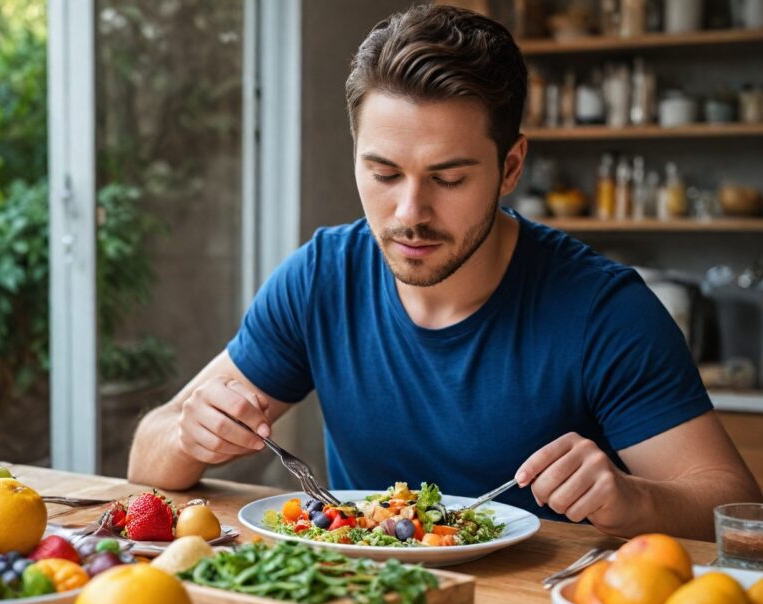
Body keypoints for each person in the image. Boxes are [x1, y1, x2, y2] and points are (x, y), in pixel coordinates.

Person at [128, 5, 761, 540]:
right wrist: (190, 435)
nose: (410, 213)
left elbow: (737, 508)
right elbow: (146, 458)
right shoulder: (321, 278)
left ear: (511, 167)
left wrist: (635, 498)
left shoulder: (604, 310)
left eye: (449, 178)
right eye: (383, 173)